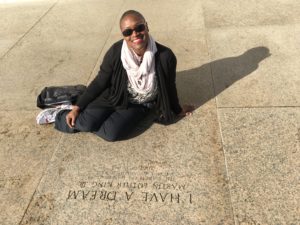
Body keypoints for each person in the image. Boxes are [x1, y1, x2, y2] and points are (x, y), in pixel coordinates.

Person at [54, 10, 194, 142]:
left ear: (147, 26)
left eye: (139, 27)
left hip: (139, 104)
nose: (135, 34)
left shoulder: (166, 56)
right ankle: (57, 115)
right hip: (114, 95)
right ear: (123, 35)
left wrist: (177, 109)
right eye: (128, 31)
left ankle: (93, 120)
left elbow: (170, 86)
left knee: (111, 134)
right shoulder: (116, 52)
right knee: (86, 123)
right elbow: (101, 81)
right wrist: (77, 107)